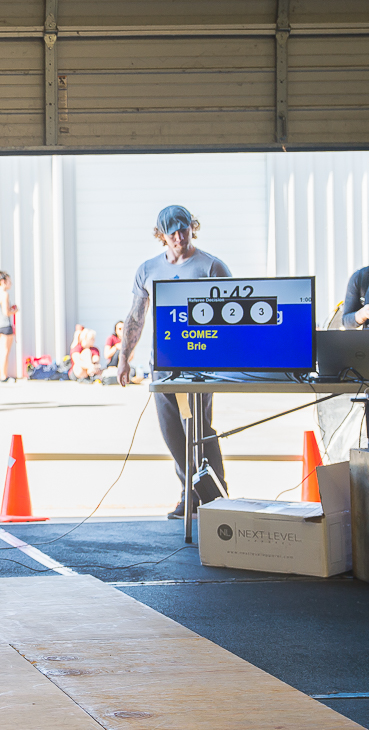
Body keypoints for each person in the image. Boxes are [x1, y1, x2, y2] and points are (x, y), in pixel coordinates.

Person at [118, 205, 232, 519]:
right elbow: (136, 316)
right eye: (172, 233)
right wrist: (124, 357)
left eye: (184, 230)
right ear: (161, 235)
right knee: (172, 432)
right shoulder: (149, 270)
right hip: (162, 364)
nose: (179, 237)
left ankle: (215, 494)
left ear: (192, 227)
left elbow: (232, 315)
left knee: (196, 428)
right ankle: (190, 492)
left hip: (198, 366)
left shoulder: (210, 266)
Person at [0, 272, 18, 381]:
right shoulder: (4, 294)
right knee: (5, 352)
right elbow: (6, 312)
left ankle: (1, 373)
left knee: (1, 351)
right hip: (4, 325)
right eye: (9, 281)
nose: (10, 284)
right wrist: (14, 310)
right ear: (3, 282)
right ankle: (3, 376)